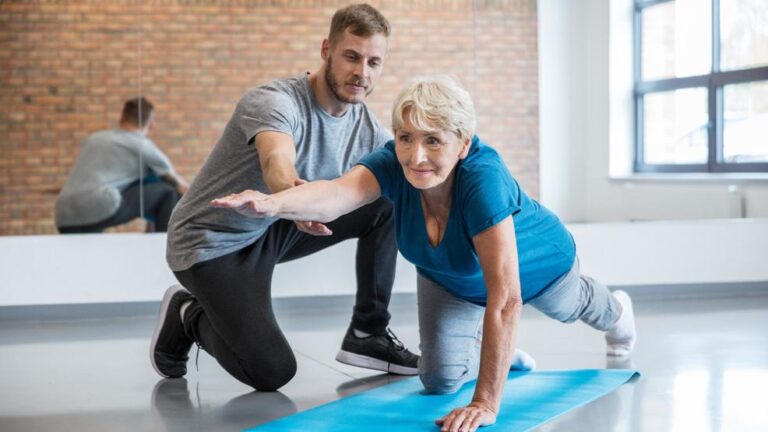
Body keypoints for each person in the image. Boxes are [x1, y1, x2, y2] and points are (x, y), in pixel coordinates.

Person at [211, 75, 637, 431]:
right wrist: (273, 203)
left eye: (433, 141)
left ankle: (617, 312)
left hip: (538, 269)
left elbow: (506, 299)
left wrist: (487, 402)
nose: (416, 157)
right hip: (448, 275)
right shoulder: (392, 164)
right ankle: (504, 354)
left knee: (569, 306)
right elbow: (337, 195)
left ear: (462, 143)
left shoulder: (483, 181)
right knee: (437, 382)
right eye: (405, 138)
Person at [151, 4, 419, 392]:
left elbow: (412, 175)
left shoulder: (367, 130)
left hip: (271, 229)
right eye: (351, 57)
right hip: (211, 243)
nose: (362, 73)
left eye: (374, 62)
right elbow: (277, 159)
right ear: (326, 49)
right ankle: (187, 313)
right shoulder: (275, 101)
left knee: (389, 199)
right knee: (272, 372)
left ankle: (368, 332)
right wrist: (284, 200)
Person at [55, 97, 188, 233]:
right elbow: (176, 183)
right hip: (97, 208)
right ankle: (164, 248)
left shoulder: (94, 138)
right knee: (167, 192)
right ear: (151, 123)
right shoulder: (140, 143)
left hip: (63, 214)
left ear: (121, 118)